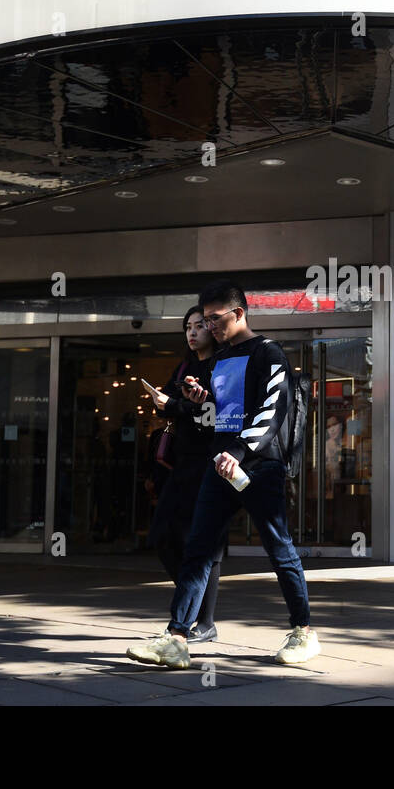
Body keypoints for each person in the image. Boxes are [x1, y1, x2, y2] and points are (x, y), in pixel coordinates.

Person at [127, 280, 319, 668]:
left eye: (215, 319)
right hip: (220, 466)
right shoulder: (218, 361)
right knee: (197, 551)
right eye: (205, 320)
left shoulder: (269, 353)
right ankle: (177, 637)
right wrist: (200, 401)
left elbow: (271, 411)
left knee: (278, 547)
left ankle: (303, 631)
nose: (210, 327)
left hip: (259, 467)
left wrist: (239, 450)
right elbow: (218, 415)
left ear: (239, 313)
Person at [140, 306, 222, 643]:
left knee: (203, 542)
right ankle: (194, 603)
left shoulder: (223, 364)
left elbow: (214, 409)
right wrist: (163, 401)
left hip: (214, 461)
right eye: (188, 327)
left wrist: (175, 406)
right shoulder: (186, 365)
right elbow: (174, 402)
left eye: (200, 326)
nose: (192, 333)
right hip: (183, 462)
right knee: (162, 535)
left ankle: (205, 621)